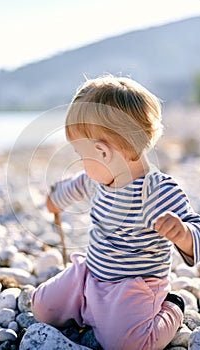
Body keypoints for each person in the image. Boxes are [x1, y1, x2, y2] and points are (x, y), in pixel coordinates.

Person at [32, 75, 200, 350]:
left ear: (102, 152)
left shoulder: (157, 191)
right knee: (42, 307)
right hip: (90, 272)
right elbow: (76, 186)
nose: (82, 164)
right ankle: (90, 308)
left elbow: (197, 230)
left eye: (80, 153)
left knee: (126, 344)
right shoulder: (98, 177)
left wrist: (182, 233)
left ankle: (172, 307)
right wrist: (56, 200)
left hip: (132, 287)